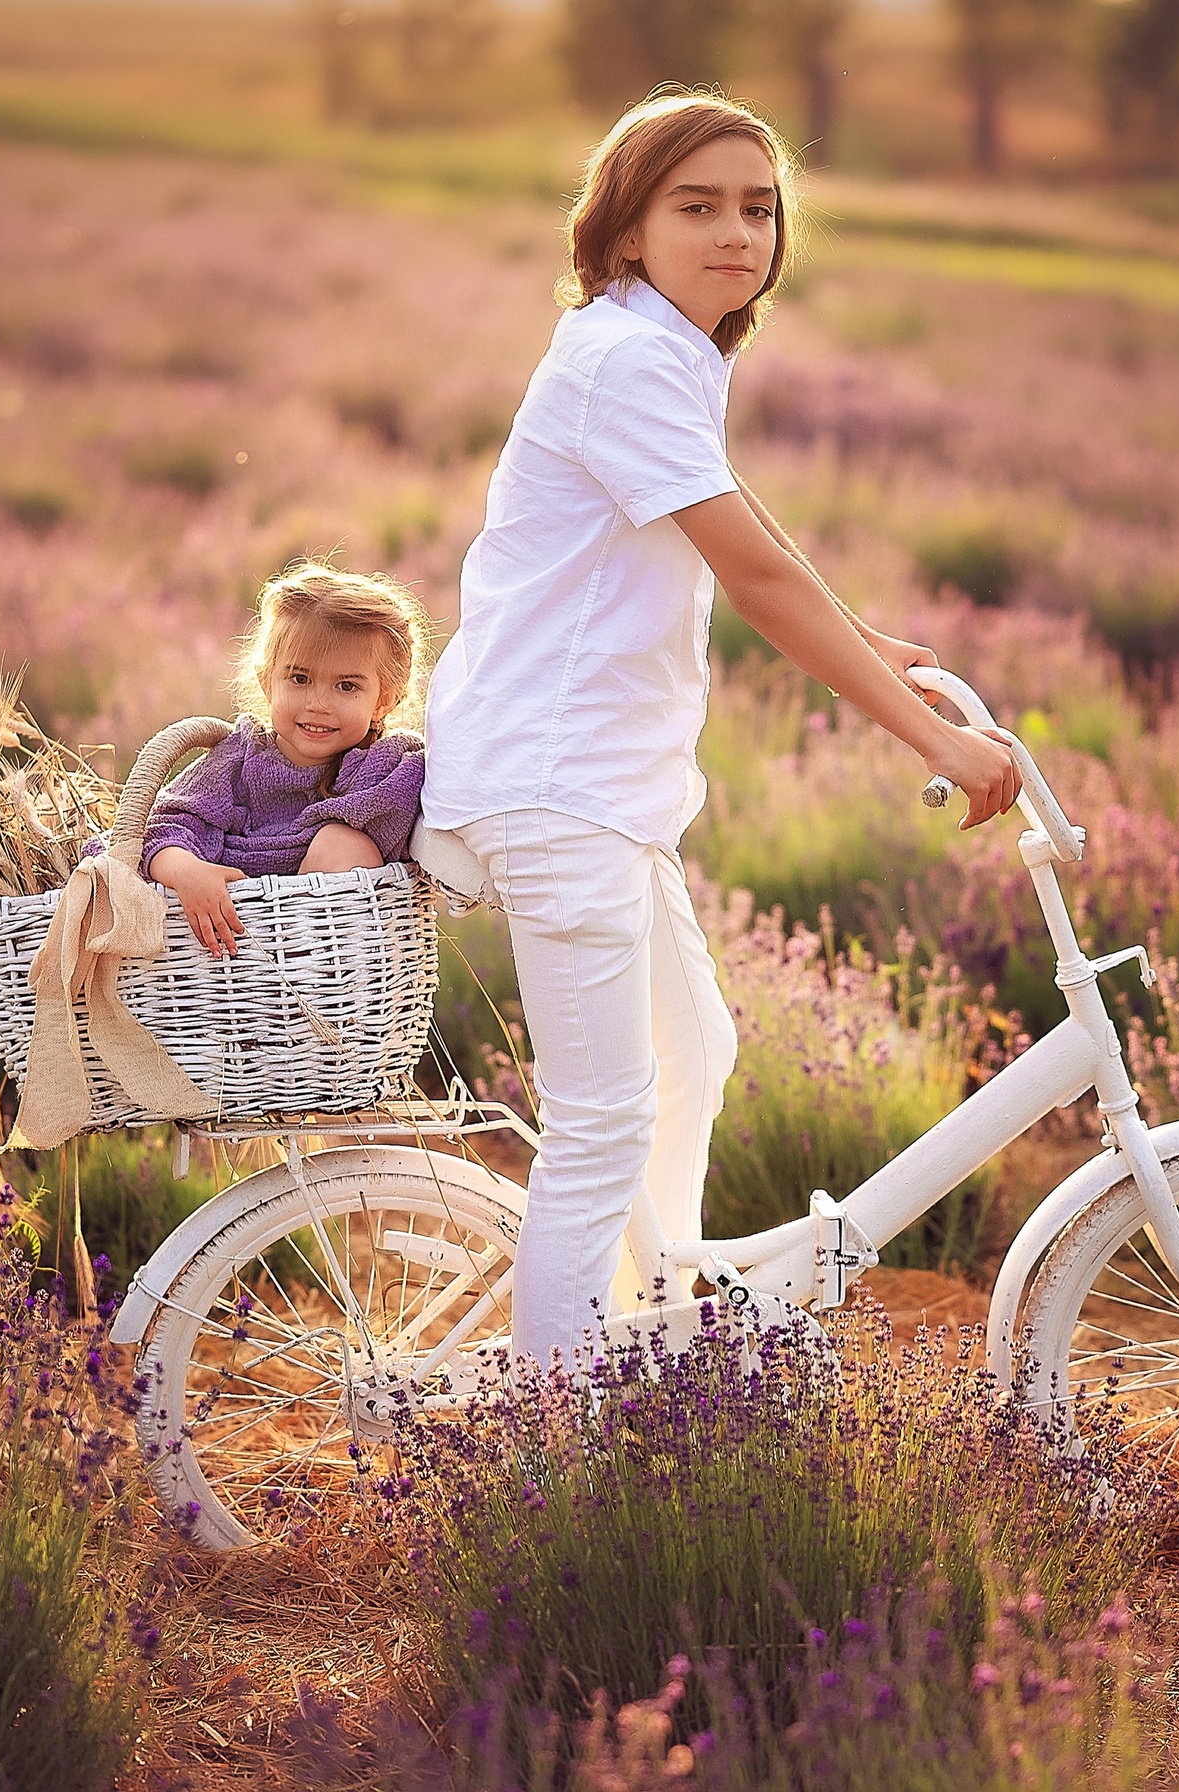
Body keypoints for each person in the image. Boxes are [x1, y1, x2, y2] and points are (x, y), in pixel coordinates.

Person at [419, 92, 1022, 1373]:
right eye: (696, 206)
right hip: (557, 783)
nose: (736, 231)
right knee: (600, 1122)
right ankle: (557, 1433)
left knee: (694, 1054)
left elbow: (742, 532)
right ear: (625, 227)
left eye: (758, 207)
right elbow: (756, 580)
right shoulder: (624, 358)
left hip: (607, 787)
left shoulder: (669, 348)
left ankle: (643, 1342)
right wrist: (929, 734)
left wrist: (866, 641)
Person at [142, 562, 430, 959]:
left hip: (325, 955)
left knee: (344, 844)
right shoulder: (237, 757)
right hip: (226, 944)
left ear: (384, 700)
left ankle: (315, 989)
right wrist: (185, 871)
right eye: (299, 678)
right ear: (267, 680)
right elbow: (163, 827)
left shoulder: (383, 767)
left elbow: (401, 810)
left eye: (346, 686)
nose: (317, 704)